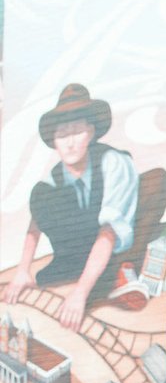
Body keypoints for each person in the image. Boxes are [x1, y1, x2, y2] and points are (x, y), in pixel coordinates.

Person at [5, 83, 149, 330]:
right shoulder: (55, 177)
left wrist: (80, 292)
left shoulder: (114, 163)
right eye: (62, 135)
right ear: (54, 140)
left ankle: (118, 276)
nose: (69, 143)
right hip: (80, 251)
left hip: (115, 249)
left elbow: (108, 232)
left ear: (91, 132)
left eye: (77, 132)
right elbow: (36, 221)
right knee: (41, 195)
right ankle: (82, 275)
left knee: (154, 185)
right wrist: (22, 269)